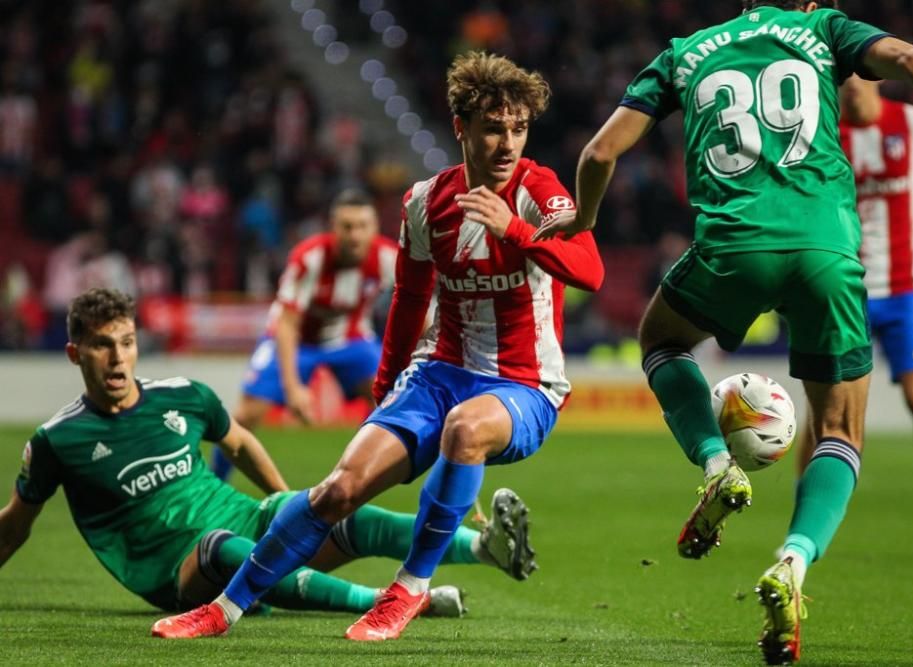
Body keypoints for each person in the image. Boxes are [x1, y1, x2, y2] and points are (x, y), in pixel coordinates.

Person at [533, 1, 913, 663]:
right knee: (839, 430)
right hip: (825, 251)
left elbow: (601, 149)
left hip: (735, 248)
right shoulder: (823, 28)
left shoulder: (685, 50)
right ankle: (793, 560)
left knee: (662, 340)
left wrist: (583, 217)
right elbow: (912, 61)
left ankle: (717, 464)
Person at [151, 51, 604, 641]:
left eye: (518, 128)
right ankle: (223, 609)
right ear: (461, 127)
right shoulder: (424, 203)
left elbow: (589, 271)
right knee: (337, 489)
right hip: (437, 373)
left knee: (465, 431)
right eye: (493, 127)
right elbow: (410, 300)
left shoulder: (538, 192)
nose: (507, 143)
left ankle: (407, 589)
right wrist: (387, 381)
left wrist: (515, 231)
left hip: (524, 385)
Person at [0, 288, 531, 619]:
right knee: (220, 547)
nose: (118, 358)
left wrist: (286, 506)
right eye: (101, 345)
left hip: (244, 516)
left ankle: (483, 548)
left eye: (126, 341)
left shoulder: (183, 396)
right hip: (177, 568)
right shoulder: (58, 439)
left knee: (343, 509)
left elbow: (240, 442)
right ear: (75, 353)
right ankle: (384, 601)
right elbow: (15, 526)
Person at [794, 75, 913, 557]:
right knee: (822, 415)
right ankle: (804, 530)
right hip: (843, 287)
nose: (851, 88)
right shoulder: (822, 132)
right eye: (842, 82)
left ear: (877, 81)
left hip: (905, 289)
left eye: (858, 79)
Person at [211, 189, 397, 481]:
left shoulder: (389, 258)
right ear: (333, 228)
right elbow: (287, 325)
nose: (355, 235)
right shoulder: (309, 258)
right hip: (295, 341)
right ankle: (214, 483)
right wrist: (293, 386)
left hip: (351, 339)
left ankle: (356, 476)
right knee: (245, 415)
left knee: (387, 400)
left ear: (375, 228)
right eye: (347, 227)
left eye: (362, 226)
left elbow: (417, 305)